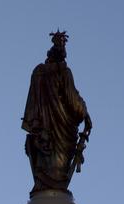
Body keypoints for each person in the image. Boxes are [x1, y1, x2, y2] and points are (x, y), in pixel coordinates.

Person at [23, 30, 93, 194]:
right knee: (57, 168)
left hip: (42, 135)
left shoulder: (38, 72)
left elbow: (31, 104)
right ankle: (54, 186)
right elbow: (73, 102)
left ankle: (44, 185)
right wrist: (85, 113)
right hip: (61, 133)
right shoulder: (63, 73)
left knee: (44, 161)